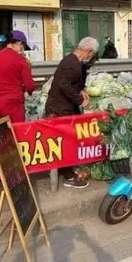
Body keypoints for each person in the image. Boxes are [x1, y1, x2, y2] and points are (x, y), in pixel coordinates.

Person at [44, 37, 100, 188]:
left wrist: (81, 90)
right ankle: (68, 176)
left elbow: (70, 83)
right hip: (59, 109)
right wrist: (80, 101)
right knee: (63, 141)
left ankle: (67, 170)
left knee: (66, 140)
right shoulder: (72, 63)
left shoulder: (72, 60)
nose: (91, 58)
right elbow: (64, 84)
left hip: (62, 107)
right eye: (92, 54)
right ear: (88, 51)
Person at [0, 30, 36, 123]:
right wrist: (28, 90)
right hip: (12, 102)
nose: (22, 50)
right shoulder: (21, 60)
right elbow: (30, 86)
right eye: (23, 47)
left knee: (0, 133)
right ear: (20, 43)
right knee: (17, 132)